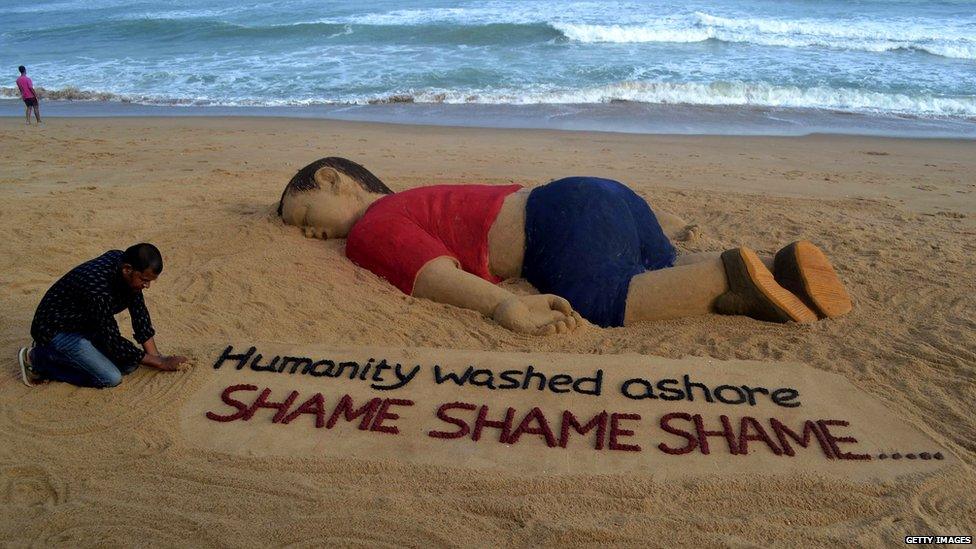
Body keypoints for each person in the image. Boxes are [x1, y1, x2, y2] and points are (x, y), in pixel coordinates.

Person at [277, 157, 852, 335]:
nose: (307, 232)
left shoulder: (375, 223)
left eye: (303, 214)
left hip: (557, 222)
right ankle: (780, 268)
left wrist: (508, 307)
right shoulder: (424, 197)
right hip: (599, 193)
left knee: (603, 298)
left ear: (333, 178)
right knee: (659, 263)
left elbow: (430, 273)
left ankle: (727, 278)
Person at [17, 244, 187, 388]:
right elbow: (112, 338)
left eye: (150, 281)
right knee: (110, 377)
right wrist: (160, 363)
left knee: (129, 364)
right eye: (144, 279)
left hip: (85, 324)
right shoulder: (97, 288)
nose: (147, 285)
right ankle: (38, 359)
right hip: (56, 330)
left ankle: (71, 354)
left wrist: (157, 357)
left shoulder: (124, 265)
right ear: (127, 269)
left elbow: (139, 312)